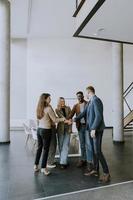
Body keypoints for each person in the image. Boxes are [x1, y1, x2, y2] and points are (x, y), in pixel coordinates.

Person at [74, 86, 110, 183]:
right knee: (94, 151)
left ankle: (106, 173)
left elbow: (98, 116)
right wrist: (74, 119)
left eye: (86, 93)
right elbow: (83, 113)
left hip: (97, 130)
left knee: (97, 151)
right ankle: (95, 170)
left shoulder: (96, 100)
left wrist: (93, 128)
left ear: (89, 92)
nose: (85, 95)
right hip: (91, 130)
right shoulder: (90, 102)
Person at [34, 93, 69, 175]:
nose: (50, 99)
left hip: (39, 130)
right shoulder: (48, 108)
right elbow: (55, 120)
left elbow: (38, 120)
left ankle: (35, 165)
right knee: (46, 150)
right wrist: (63, 119)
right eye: (49, 98)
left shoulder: (39, 108)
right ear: (45, 99)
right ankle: (43, 168)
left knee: (39, 148)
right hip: (46, 130)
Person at [69, 91, 93, 170]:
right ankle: (83, 159)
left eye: (80, 96)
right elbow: (71, 115)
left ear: (83, 96)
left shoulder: (88, 104)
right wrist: (64, 119)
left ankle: (90, 161)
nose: (79, 98)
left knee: (88, 145)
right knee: (82, 144)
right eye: (77, 96)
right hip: (80, 127)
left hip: (87, 127)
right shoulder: (76, 106)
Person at [56, 97, 72, 169]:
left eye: (64, 101)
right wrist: (68, 121)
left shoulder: (68, 108)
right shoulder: (57, 109)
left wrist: (70, 120)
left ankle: (63, 162)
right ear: (59, 102)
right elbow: (62, 118)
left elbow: (71, 116)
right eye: (61, 101)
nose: (63, 102)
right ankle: (62, 160)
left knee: (66, 145)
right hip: (60, 129)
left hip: (68, 128)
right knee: (61, 145)